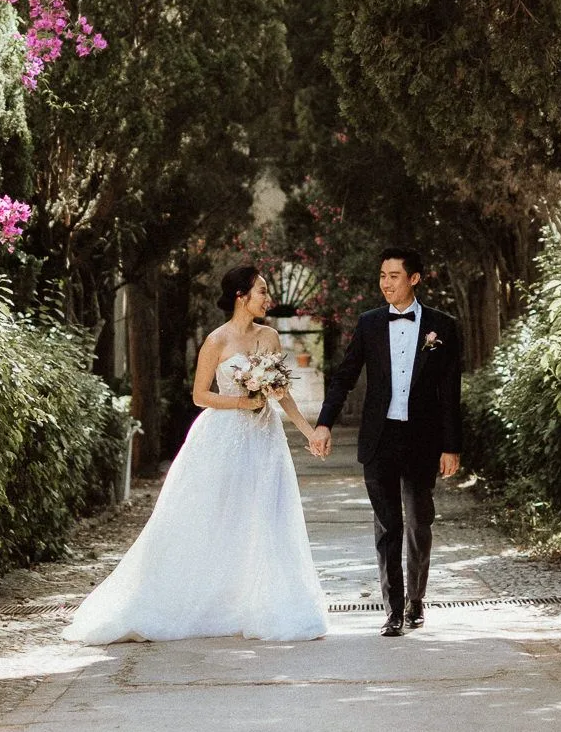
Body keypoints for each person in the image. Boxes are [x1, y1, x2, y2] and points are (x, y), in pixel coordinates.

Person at [63, 264, 328, 644]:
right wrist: (241, 400)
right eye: (262, 292)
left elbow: (281, 393)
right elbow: (199, 395)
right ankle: (208, 597)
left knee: (266, 511)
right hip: (223, 435)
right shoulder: (216, 341)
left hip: (264, 436)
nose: (268, 299)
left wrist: (308, 432)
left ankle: (265, 601)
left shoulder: (269, 337)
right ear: (241, 296)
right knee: (214, 513)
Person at [312, 248, 462, 636]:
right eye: (382, 275)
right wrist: (324, 423)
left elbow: (450, 392)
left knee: (418, 522)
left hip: (421, 439)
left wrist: (451, 446)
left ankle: (416, 600)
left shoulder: (442, 326)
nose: (385, 283)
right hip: (379, 438)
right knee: (387, 525)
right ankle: (394, 609)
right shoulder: (369, 324)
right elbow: (344, 376)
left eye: (394, 276)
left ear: (414, 279)